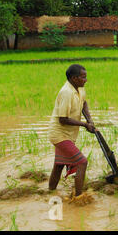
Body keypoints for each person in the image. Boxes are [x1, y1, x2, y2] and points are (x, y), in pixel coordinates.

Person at [48, 64, 96, 197]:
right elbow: (63, 119)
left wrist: (89, 120)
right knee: (82, 162)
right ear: (74, 78)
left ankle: (50, 192)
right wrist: (85, 125)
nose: (85, 80)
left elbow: (84, 103)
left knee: (59, 165)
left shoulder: (79, 89)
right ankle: (79, 197)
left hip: (67, 135)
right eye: (83, 77)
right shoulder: (66, 92)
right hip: (59, 135)